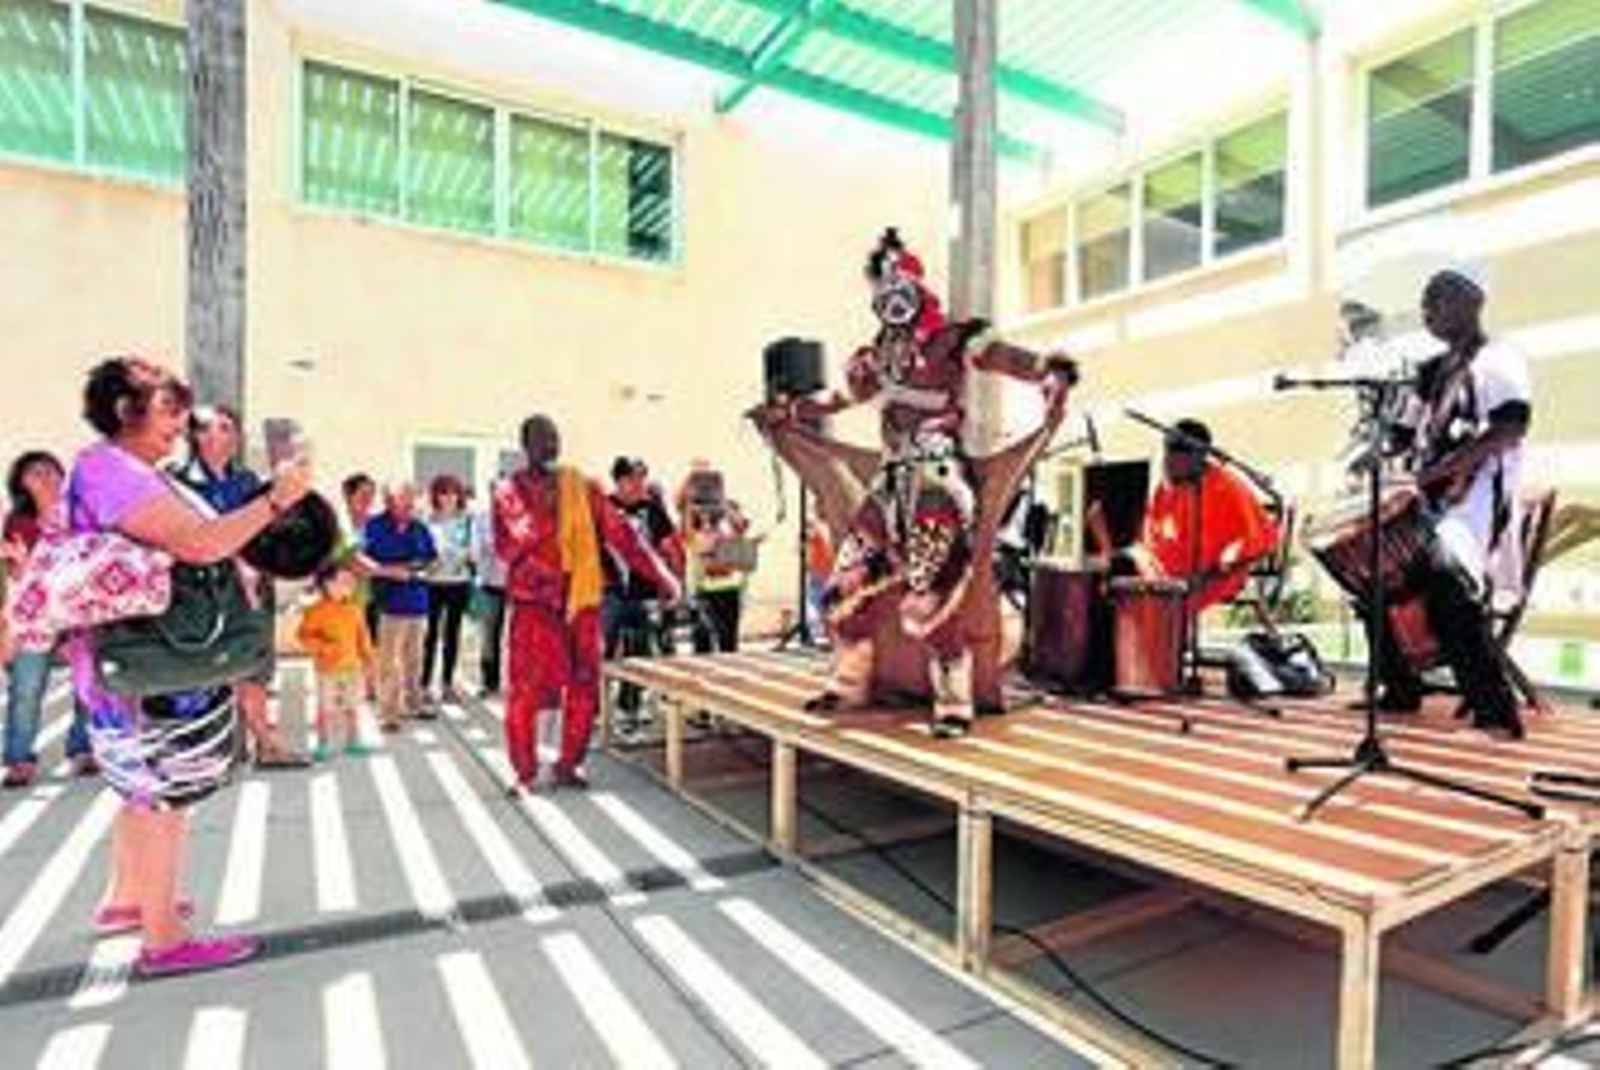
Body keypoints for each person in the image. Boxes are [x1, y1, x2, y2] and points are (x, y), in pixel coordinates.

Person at [759, 228, 1075, 737]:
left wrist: (1048, 371)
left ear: (915, 282)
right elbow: (841, 397)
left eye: (898, 280)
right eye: (882, 285)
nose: (891, 294)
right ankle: (850, 683)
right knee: (844, 585)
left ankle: (953, 703)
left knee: (932, 596)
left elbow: (1005, 358)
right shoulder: (876, 354)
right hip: (890, 481)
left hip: (939, 479)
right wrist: (791, 409)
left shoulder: (954, 338)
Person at [66, 356, 311, 976]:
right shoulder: (116, 473)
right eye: (169, 408)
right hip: (147, 665)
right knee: (162, 799)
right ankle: (163, 939)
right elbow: (199, 543)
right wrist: (275, 503)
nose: (181, 423)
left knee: (137, 789)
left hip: (125, 665)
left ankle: (127, 901)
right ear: (127, 411)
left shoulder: (114, 468)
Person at [1367, 268, 1532, 738]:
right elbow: (1400, 434)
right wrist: (1376, 457)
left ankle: (1496, 712)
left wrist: (1438, 471)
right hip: (1428, 502)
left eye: (1437, 298)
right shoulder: (1431, 371)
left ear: (1473, 300)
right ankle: (1400, 687)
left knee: (1445, 581)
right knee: (1371, 569)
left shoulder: (1499, 360)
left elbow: (1508, 429)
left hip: (1476, 502)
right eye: (1424, 301)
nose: (1427, 309)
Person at [494, 416, 680, 794]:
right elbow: (513, 544)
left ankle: (568, 764)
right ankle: (524, 772)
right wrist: (551, 521)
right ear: (525, 444)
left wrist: (663, 575)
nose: (552, 446)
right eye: (543, 439)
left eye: (556, 438)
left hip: (583, 600)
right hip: (536, 606)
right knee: (526, 691)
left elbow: (623, 536)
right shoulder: (508, 490)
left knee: (585, 685)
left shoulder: (582, 486)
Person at [171, 405, 308, 769]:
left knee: (255, 667)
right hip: (201, 593)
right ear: (195, 436)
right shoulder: (177, 482)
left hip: (252, 590)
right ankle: (214, 747)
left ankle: (265, 744)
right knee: (207, 668)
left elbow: (268, 530)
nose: (224, 436)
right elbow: (184, 539)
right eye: (213, 428)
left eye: (230, 428)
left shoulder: (247, 482)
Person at [3, 451, 95, 787]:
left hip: (79, 613)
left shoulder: (82, 515)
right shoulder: (18, 523)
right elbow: (19, 574)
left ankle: (83, 749)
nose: (45, 476)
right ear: (22, 484)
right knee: (27, 687)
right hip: (35, 617)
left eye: (51, 470)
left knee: (88, 683)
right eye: (35, 472)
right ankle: (18, 758)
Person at [1124, 419, 1280, 612]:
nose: (1168, 457)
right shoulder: (1166, 488)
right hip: (1169, 575)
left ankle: (1165, 636)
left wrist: (1210, 574)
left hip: (1213, 578)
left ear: (1199, 454)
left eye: (1176, 449)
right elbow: (1151, 535)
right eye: (1167, 448)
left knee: (1152, 603)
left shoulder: (1227, 487)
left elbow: (1258, 542)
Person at [602, 457, 683, 732]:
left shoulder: (652, 509)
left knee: (639, 654)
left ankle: (629, 709)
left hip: (645, 593)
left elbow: (670, 546)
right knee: (602, 650)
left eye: (643, 478)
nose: (641, 484)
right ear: (620, 480)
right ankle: (594, 711)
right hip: (609, 591)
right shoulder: (603, 507)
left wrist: (673, 582)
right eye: (635, 478)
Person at [364, 482, 437, 731]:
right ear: (389, 500)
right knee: (388, 661)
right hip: (389, 604)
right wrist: (389, 571)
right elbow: (363, 560)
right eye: (403, 499)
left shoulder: (420, 528)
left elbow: (432, 560)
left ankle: (414, 703)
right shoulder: (375, 525)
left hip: (418, 602)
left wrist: (421, 569)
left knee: (414, 659)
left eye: (412, 499)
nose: (409, 504)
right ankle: (388, 714)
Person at [297, 558, 377, 761]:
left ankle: (353, 740)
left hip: (352, 668)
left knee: (352, 706)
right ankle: (323, 744)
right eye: (344, 582)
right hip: (327, 669)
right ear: (327, 585)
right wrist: (324, 648)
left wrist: (369, 660)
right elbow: (304, 636)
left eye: (351, 582)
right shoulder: (315, 610)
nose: (350, 586)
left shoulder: (355, 609)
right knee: (326, 708)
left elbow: (363, 637)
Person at [421, 474, 474, 701]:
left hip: (458, 583)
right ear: (436, 495)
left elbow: (473, 549)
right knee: (430, 635)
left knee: (452, 635)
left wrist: (466, 556)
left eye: (453, 492)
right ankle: (423, 685)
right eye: (443, 492)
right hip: (433, 583)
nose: (449, 497)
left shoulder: (467, 519)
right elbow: (422, 549)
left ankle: (447, 684)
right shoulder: (427, 519)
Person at [471, 486, 507, 697]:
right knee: (489, 636)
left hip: (516, 586)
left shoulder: (518, 516)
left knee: (514, 639)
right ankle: (488, 682)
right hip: (489, 584)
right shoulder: (482, 518)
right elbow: (476, 553)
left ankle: (514, 682)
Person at [339, 472, 381, 642]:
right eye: (363, 493)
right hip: (344, 596)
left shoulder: (377, 525)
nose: (368, 498)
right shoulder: (338, 524)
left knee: (372, 647)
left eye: (371, 494)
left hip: (374, 596)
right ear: (348, 495)